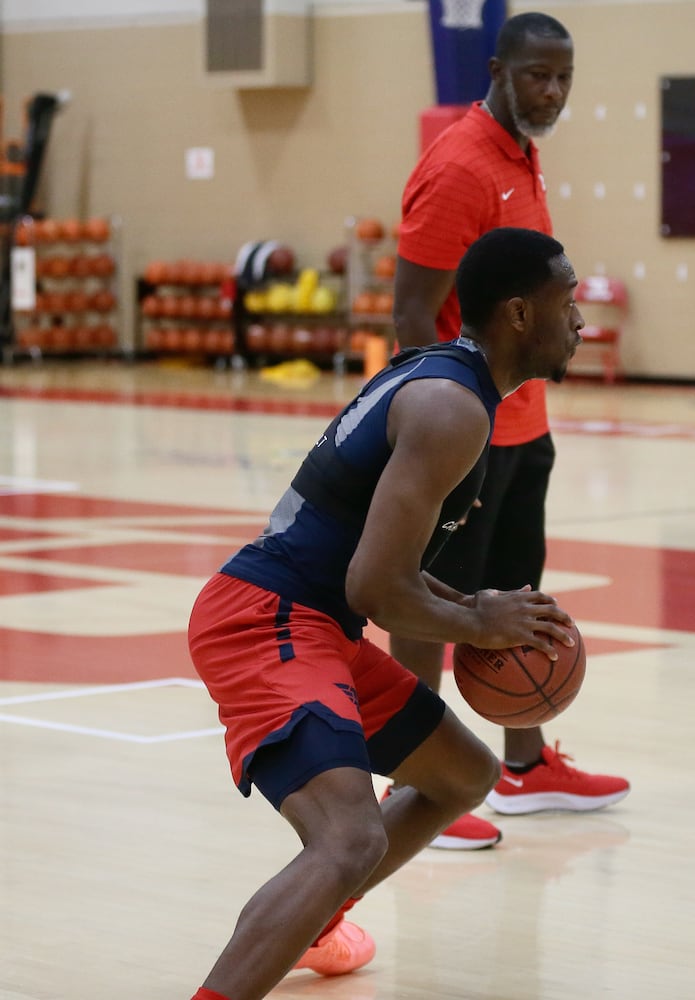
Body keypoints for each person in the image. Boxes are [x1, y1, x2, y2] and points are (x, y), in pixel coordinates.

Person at [186, 227, 584, 1000]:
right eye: (567, 300)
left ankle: (317, 921)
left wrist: (478, 605)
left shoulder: (449, 383)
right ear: (519, 314)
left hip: (312, 622)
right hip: (262, 617)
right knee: (348, 836)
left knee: (464, 775)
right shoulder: (451, 409)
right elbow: (377, 589)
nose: (579, 320)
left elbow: (379, 577)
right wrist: (478, 624)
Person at [390, 10, 629, 851]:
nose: (552, 91)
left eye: (563, 78)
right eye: (537, 76)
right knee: (428, 602)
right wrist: (447, 425)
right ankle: (417, 779)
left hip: (524, 421)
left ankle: (524, 769)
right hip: (467, 431)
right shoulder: (458, 166)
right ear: (497, 68)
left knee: (518, 596)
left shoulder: (521, 156)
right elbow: (413, 312)